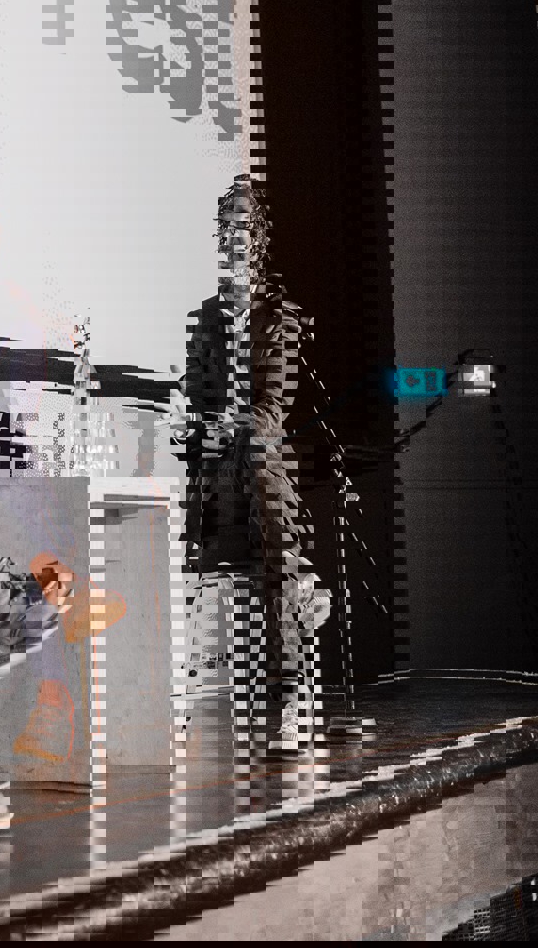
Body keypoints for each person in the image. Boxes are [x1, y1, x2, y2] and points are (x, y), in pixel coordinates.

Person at [179, 174, 332, 753]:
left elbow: (271, 409)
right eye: (225, 230)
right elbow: (194, 401)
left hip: (260, 469)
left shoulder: (281, 319)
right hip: (219, 472)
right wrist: (196, 427)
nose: (231, 240)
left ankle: (288, 695)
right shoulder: (205, 321)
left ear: (258, 241)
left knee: (263, 471)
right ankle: (297, 575)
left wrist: (225, 425)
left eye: (240, 229)